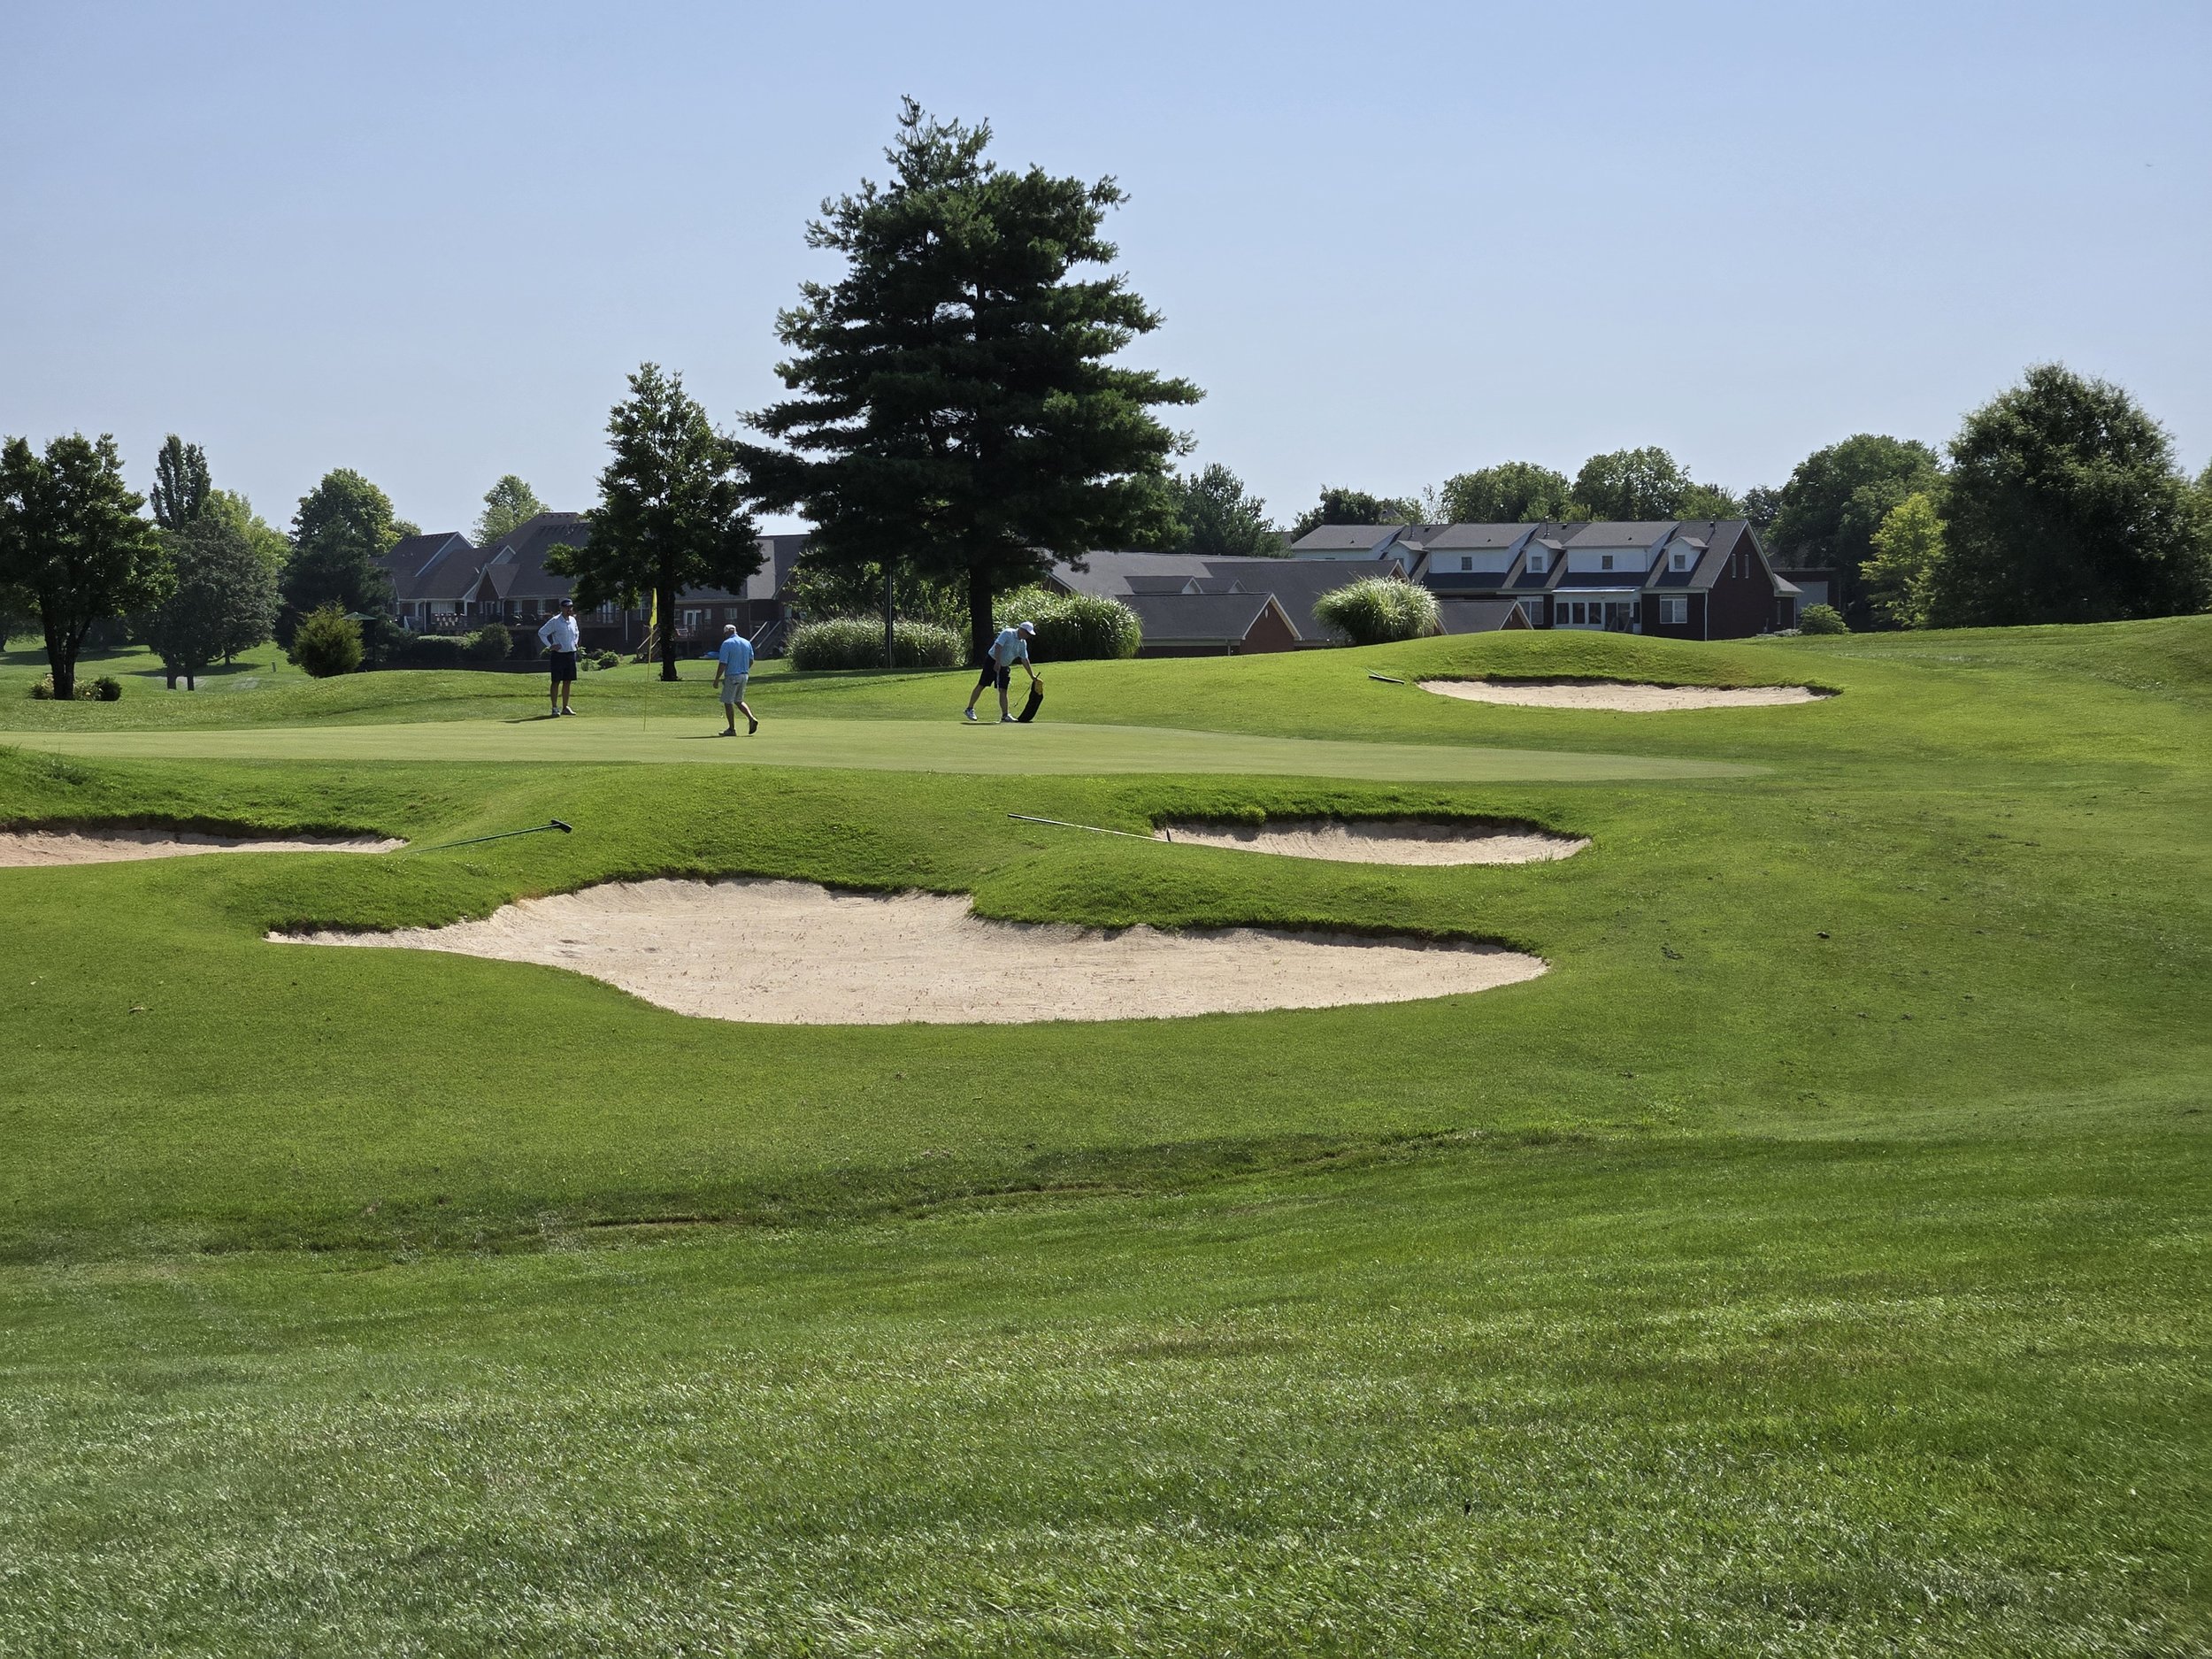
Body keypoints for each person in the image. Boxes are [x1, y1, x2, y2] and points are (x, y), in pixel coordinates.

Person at [964, 620, 1039, 724]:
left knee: (1003, 689)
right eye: (1028, 633)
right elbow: (998, 646)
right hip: (992, 661)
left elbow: (1025, 660)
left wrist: (1032, 675)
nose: (1028, 636)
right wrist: (997, 662)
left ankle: (1005, 715)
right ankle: (969, 709)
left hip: (1004, 666)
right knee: (982, 685)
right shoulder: (1008, 633)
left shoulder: (1022, 643)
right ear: (1021, 630)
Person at [537, 597, 582, 717]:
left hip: (570, 654)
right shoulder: (555, 621)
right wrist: (550, 646)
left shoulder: (573, 620)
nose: (569, 609)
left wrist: (575, 642)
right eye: (567, 607)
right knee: (556, 681)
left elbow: (576, 633)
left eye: (570, 607)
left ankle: (565, 707)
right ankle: (554, 707)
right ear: (562, 608)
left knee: (568, 681)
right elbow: (542, 633)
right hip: (558, 655)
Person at [710, 623, 758, 735]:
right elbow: (751, 661)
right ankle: (751, 718)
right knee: (738, 701)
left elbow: (723, 663)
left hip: (732, 676)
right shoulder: (746, 642)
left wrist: (716, 679)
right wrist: (744, 668)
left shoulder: (727, 644)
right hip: (744, 675)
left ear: (726, 633)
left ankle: (732, 729)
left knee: (728, 702)